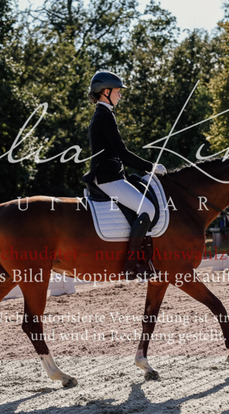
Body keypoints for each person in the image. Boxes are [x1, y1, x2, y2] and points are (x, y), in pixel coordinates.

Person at [83, 70, 166, 280]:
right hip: (108, 178)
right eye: (117, 91)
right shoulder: (104, 116)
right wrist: (151, 166)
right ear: (106, 92)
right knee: (147, 208)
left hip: (112, 175)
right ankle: (132, 265)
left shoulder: (104, 114)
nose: (120, 95)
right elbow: (122, 153)